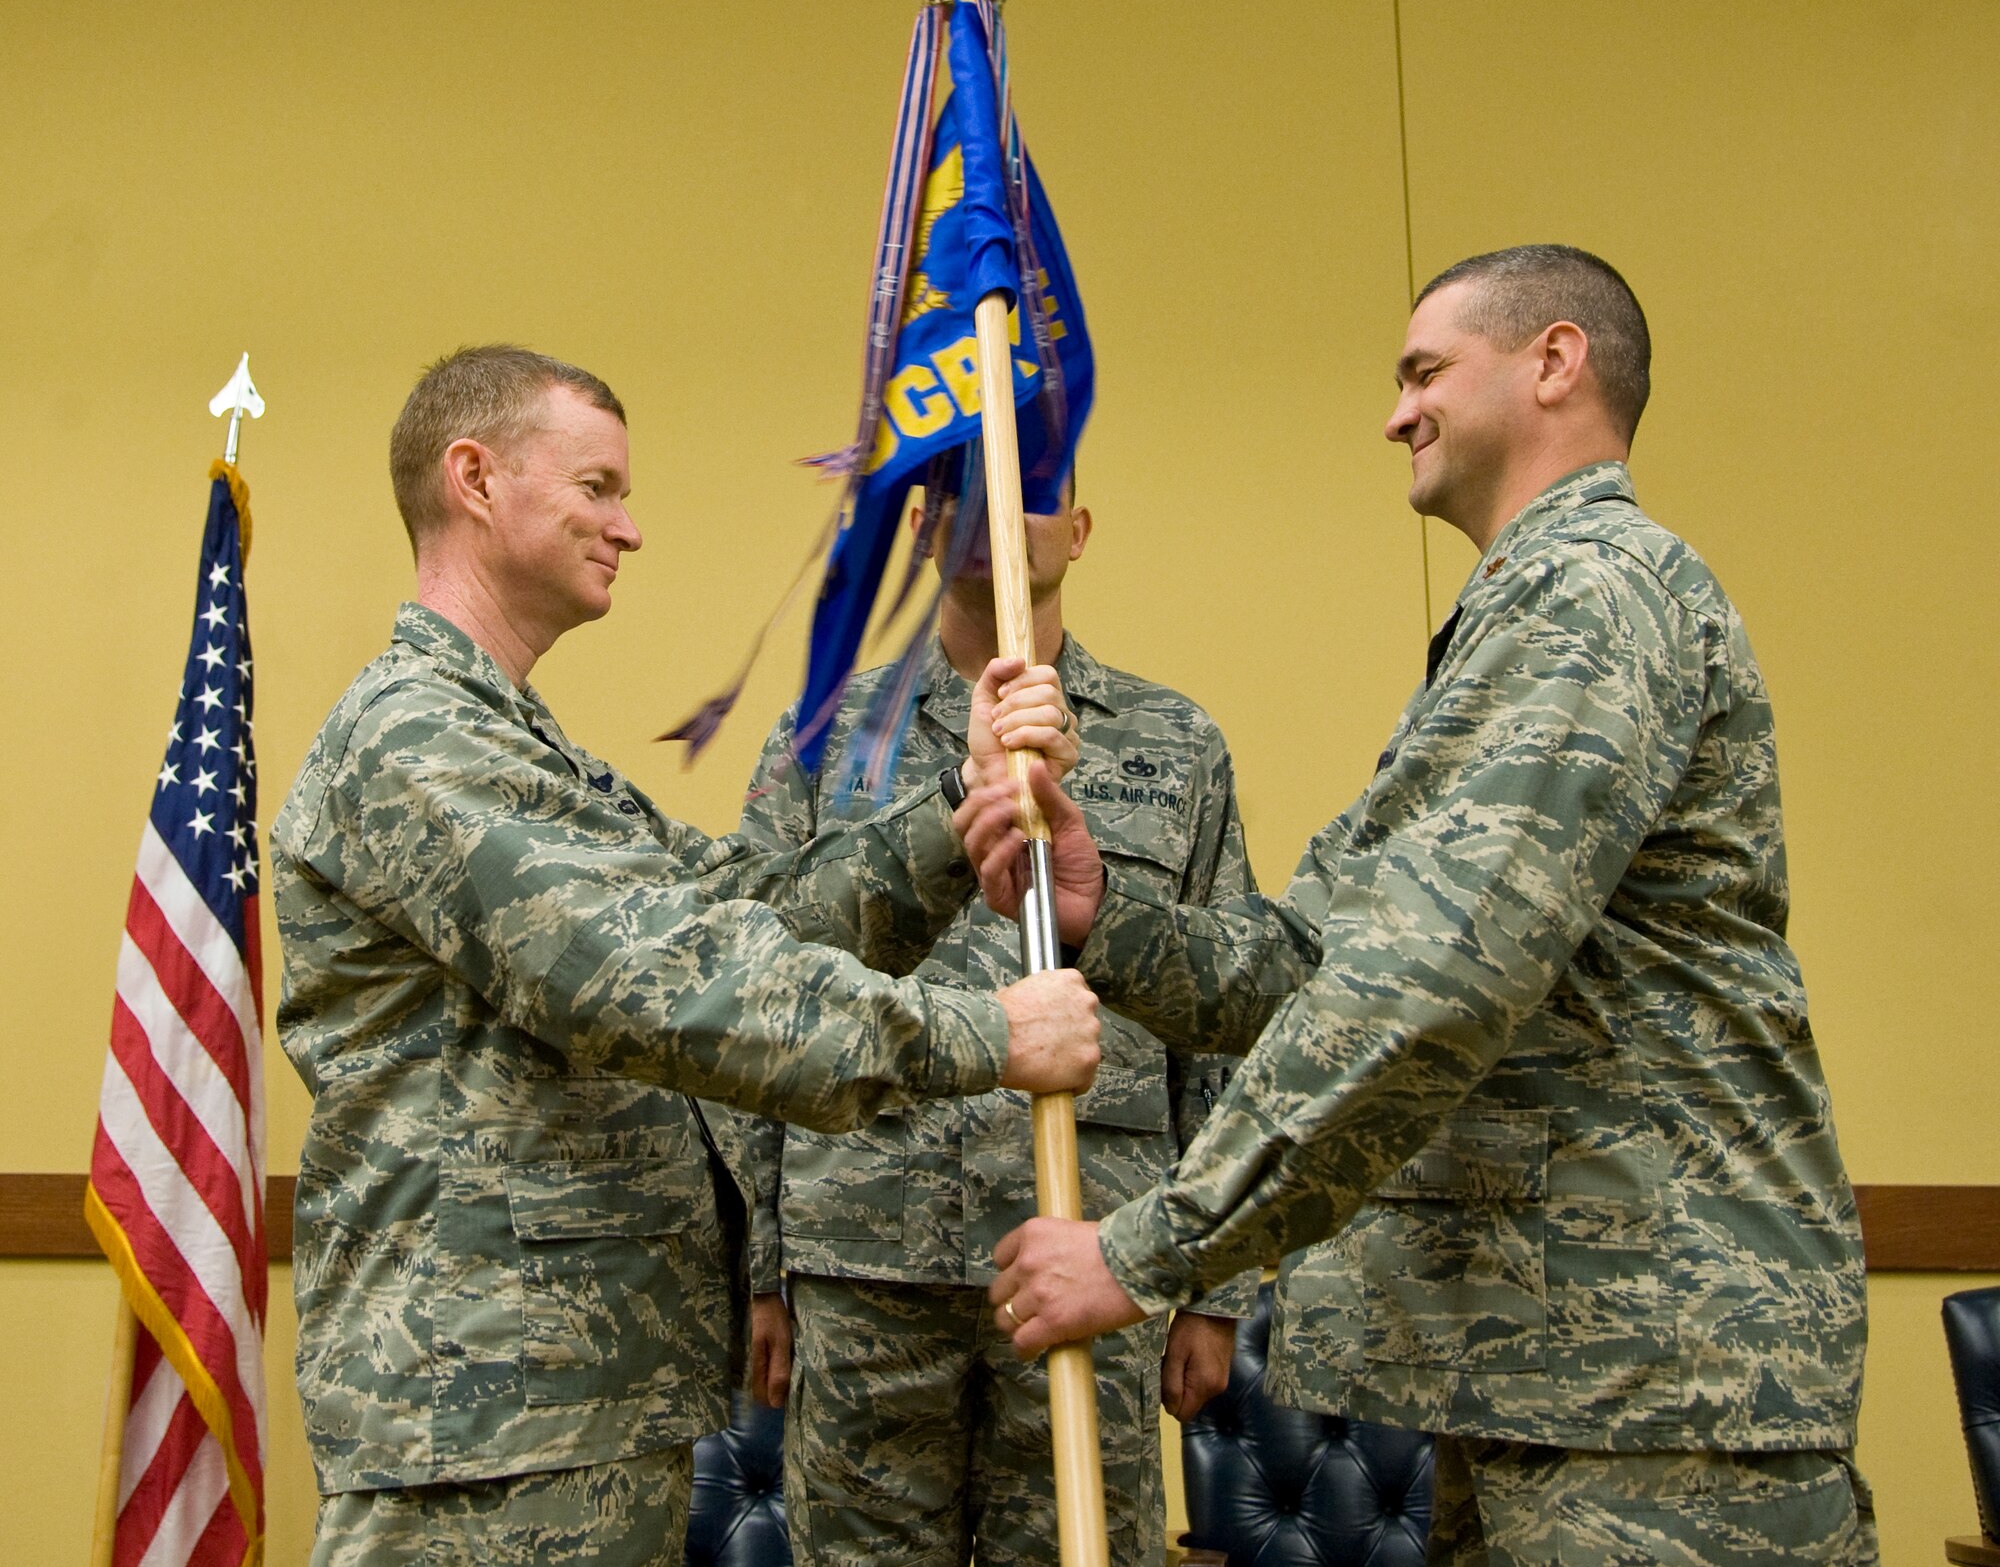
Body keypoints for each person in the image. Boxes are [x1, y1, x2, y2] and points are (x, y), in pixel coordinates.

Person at [969, 248, 1876, 1563]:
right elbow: (1322, 958)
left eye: (1424, 371)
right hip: (1547, 1378)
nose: (1397, 412)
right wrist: (1113, 920)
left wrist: (1144, 1248)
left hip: (1656, 1389)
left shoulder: (1595, 595)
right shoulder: (1514, 625)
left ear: (1552, 361)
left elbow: (1429, 985)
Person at [271, 345, 1102, 1567]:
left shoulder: (518, 744)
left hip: (570, 1401)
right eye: (598, 486)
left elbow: (742, 913)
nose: (631, 526)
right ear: (476, 478)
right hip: (486, 1414)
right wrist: (993, 1034)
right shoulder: (415, 740)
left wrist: (952, 817)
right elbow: (663, 985)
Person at [714, 472, 1257, 1567]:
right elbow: (754, 982)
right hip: (865, 1250)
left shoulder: (1175, 741)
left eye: (1026, 485)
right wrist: (762, 1271)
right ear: (917, 530)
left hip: (1092, 1253)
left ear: (1081, 527)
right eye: (955, 487)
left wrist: (1210, 1284)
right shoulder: (823, 736)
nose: (993, 508)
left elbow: (1223, 1020)